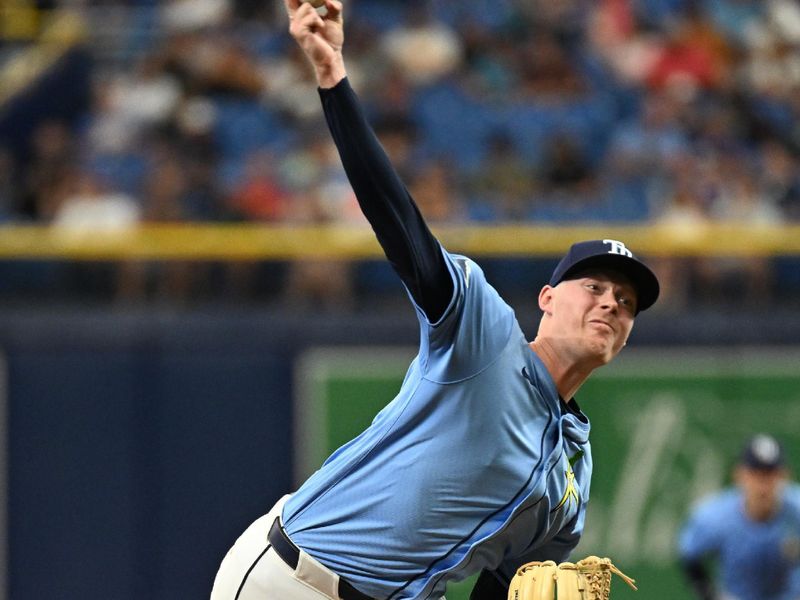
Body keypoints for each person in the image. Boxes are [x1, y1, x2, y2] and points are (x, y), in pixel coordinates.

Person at [210, 1, 660, 598]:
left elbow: (496, 591)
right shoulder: (485, 333)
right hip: (295, 579)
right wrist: (332, 76)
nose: (610, 305)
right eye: (595, 287)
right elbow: (397, 220)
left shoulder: (570, 478)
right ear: (548, 298)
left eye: (626, 301)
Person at [679, 434, 800, 600]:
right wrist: (710, 595)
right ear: (739, 475)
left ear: (784, 476)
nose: (763, 485)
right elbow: (690, 555)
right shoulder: (715, 517)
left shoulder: (796, 509)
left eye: (771, 474)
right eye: (756, 474)